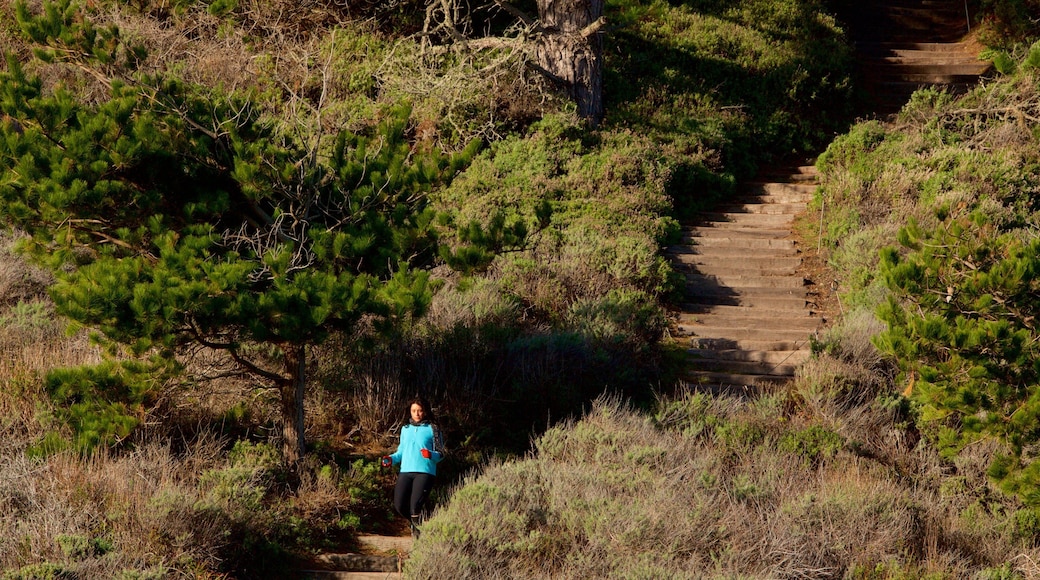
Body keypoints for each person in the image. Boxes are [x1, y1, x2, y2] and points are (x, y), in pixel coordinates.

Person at [381, 395, 444, 539]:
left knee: (415, 506)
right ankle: (417, 524)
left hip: (425, 472)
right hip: (405, 471)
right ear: (410, 411)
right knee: (399, 505)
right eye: (413, 410)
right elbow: (401, 452)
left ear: (425, 411)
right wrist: (391, 459)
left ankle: (418, 535)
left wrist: (430, 455)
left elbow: (441, 453)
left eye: (420, 410)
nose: (416, 414)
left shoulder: (433, 429)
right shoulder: (405, 429)